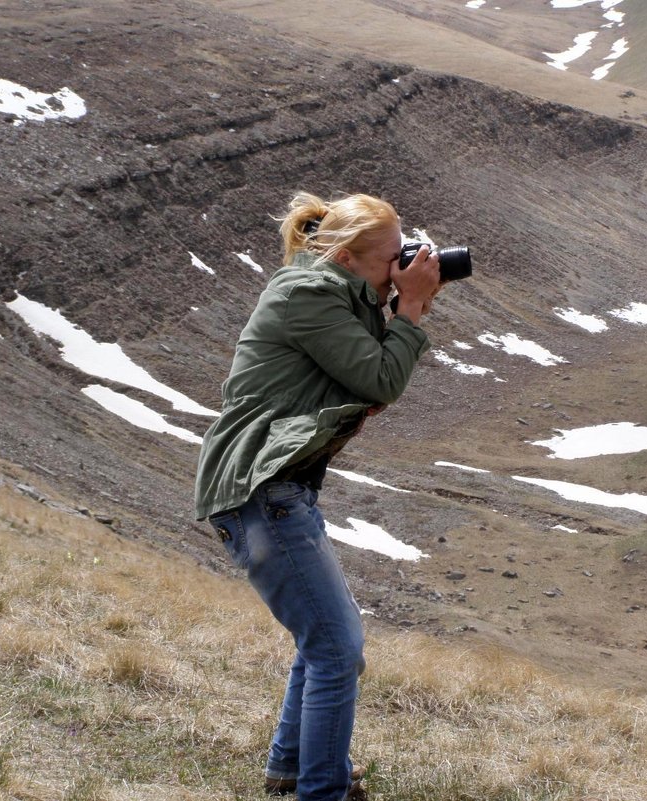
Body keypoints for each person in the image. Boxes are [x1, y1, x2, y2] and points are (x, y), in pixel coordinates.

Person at [194, 190, 441, 800]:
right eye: (392, 257)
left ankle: (288, 769)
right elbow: (381, 377)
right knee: (336, 649)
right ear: (349, 256)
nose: (402, 263)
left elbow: (371, 381)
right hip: (261, 488)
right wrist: (409, 307)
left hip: (280, 488)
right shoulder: (305, 294)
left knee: (324, 641)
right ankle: (320, 791)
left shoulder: (336, 293)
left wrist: (398, 297)